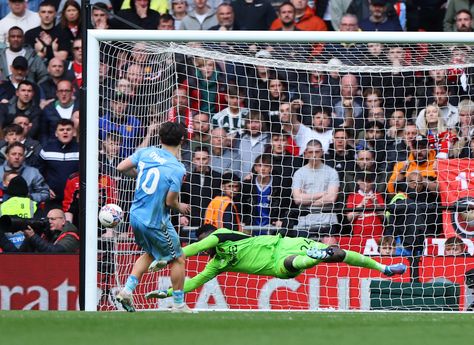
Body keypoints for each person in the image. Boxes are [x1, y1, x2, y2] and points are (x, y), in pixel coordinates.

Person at [145, 223, 406, 299]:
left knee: (337, 253)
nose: (208, 250)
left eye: (210, 243)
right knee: (295, 263)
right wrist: (168, 293)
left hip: (284, 242)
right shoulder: (217, 264)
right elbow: (195, 283)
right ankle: (313, 258)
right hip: (277, 265)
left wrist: (169, 257)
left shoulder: (223, 236)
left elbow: (196, 246)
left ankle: (384, 268)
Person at [115, 121, 192, 313]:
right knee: (178, 259)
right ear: (182, 140)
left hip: (135, 216)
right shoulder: (177, 168)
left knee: (150, 253)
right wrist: (180, 207)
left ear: (160, 138)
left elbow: (121, 167)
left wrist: (140, 175)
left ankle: (126, 290)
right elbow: (169, 201)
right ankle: (178, 304)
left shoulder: (146, 152)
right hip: (155, 220)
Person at [292, 139, 339, 240]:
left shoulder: (332, 172)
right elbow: (297, 199)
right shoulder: (299, 173)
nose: (314, 155)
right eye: (311, 152)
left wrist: (306, 201)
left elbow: (331, 198)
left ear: (322, 152)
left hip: (327, 221)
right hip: (305, 223)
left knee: (330, 254)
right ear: (305, 153)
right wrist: (321, 194)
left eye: (317, 152)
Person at [0, 207, 80, 253]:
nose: (49, 222)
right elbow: (22, 255)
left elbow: (54, 252)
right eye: (48, 219)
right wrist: (29, 238)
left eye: (53, 219)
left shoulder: (71, 235)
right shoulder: (46, 233)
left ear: (63, 221)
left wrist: (33, 236)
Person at [39, 119, 79, 208]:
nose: (65, 132)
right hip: (53, 199)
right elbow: (39, 173)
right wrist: (45, 188)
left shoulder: (82, 150)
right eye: (61, 130)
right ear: (56, 133)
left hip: (76, 199)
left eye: (68, 129)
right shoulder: (46, 150)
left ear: (74, 132)